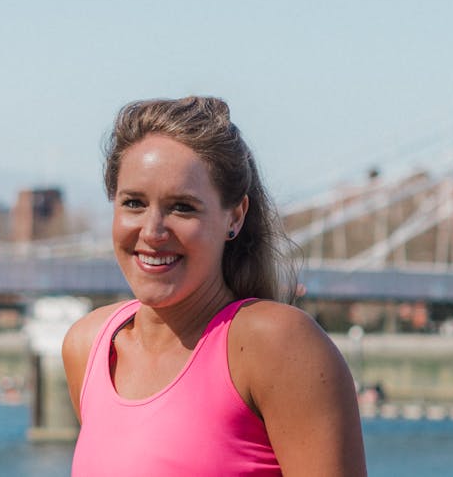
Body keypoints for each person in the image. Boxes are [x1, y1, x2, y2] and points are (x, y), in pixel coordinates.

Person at [63, 96, 366, 476]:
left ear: (234, 217)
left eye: (182, 207)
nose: (152, 231)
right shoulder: (87, 346)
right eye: (134, 203)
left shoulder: (277, 344)